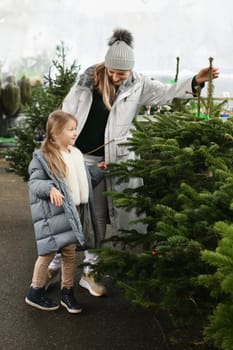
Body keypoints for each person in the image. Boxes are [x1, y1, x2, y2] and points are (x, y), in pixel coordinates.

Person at [46, 28, 219, 296]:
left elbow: (167, 93)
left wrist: (196, 80)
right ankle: (55, 263)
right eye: (112, 71)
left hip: (111, 161)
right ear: (106, 65)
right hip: (78, 159)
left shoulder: (139, 84)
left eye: (121, 73)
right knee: (71, 213)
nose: (116, 77)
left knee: (98, 216)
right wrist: (56, 150)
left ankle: (90, 271)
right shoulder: (85, 82)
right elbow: (63, 114)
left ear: (130, 70)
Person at [25, 110, 92, 313]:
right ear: (55, 133)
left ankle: (67, 292)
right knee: (48, 253)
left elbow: (81, 179)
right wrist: (50, 188)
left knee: (70, 254)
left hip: (73, 212)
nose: (75, 133)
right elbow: (35, 183)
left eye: (75, 129)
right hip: (54, 215)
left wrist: (99, 170)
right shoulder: (44, 157)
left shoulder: (76, 153)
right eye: (70, 129)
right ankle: (35, 291)